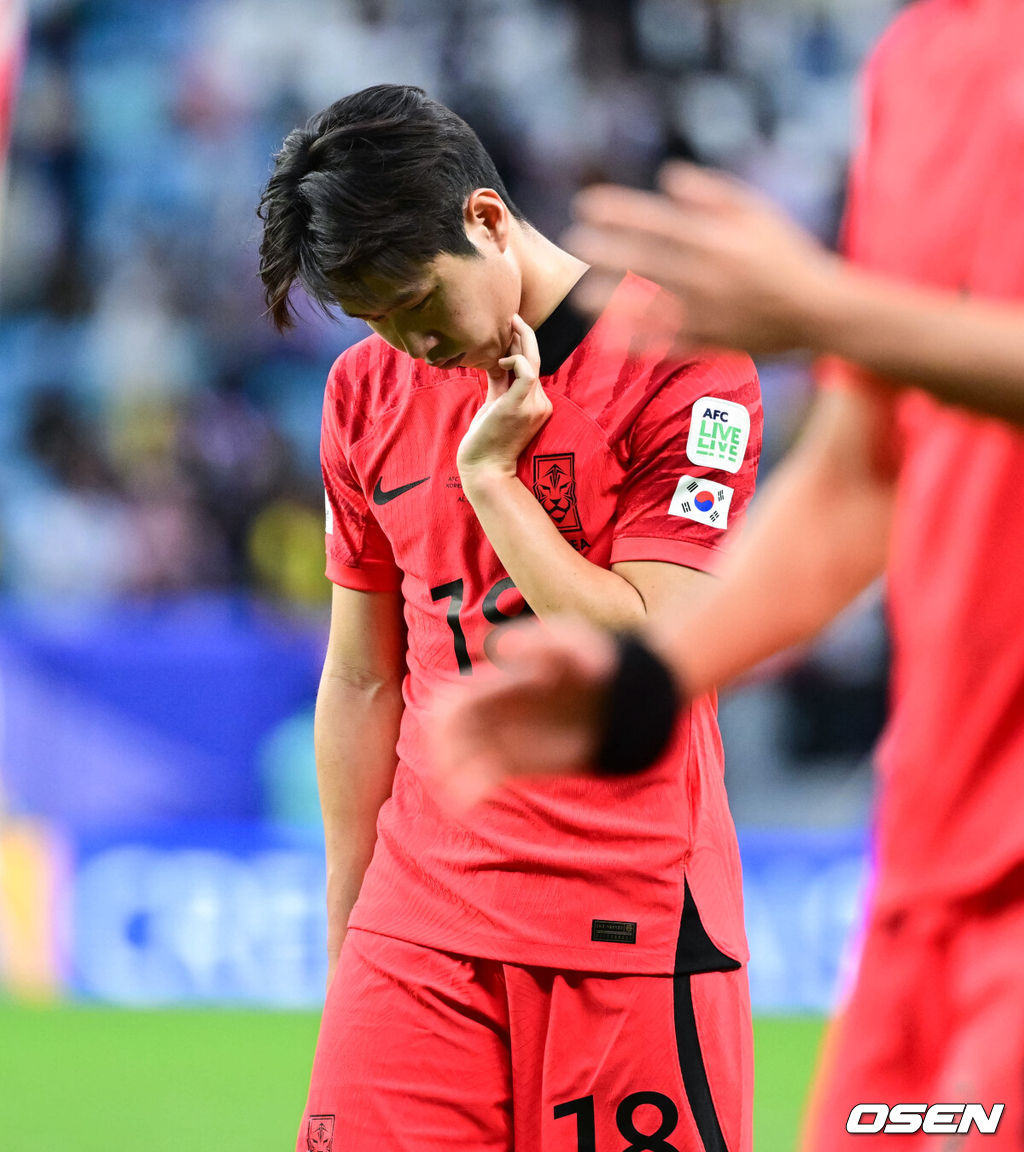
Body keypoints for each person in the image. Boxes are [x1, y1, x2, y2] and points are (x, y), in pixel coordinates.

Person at [434, 1, 1024, 1148]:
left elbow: (872, 346)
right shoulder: (927, 58)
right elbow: (865, 469)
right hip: (939, 853)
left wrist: (826, 309)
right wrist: (649, 676)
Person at [258, 84, 763, 1152]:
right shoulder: (362, 392)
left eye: (417, 300)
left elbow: (655, 647)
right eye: (374, 320)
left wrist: (494, 482)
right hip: (417, 924)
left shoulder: (687, 362)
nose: (408, 342)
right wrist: (353, 923)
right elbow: (360, 678)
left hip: (626, 927)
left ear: (485, 220)